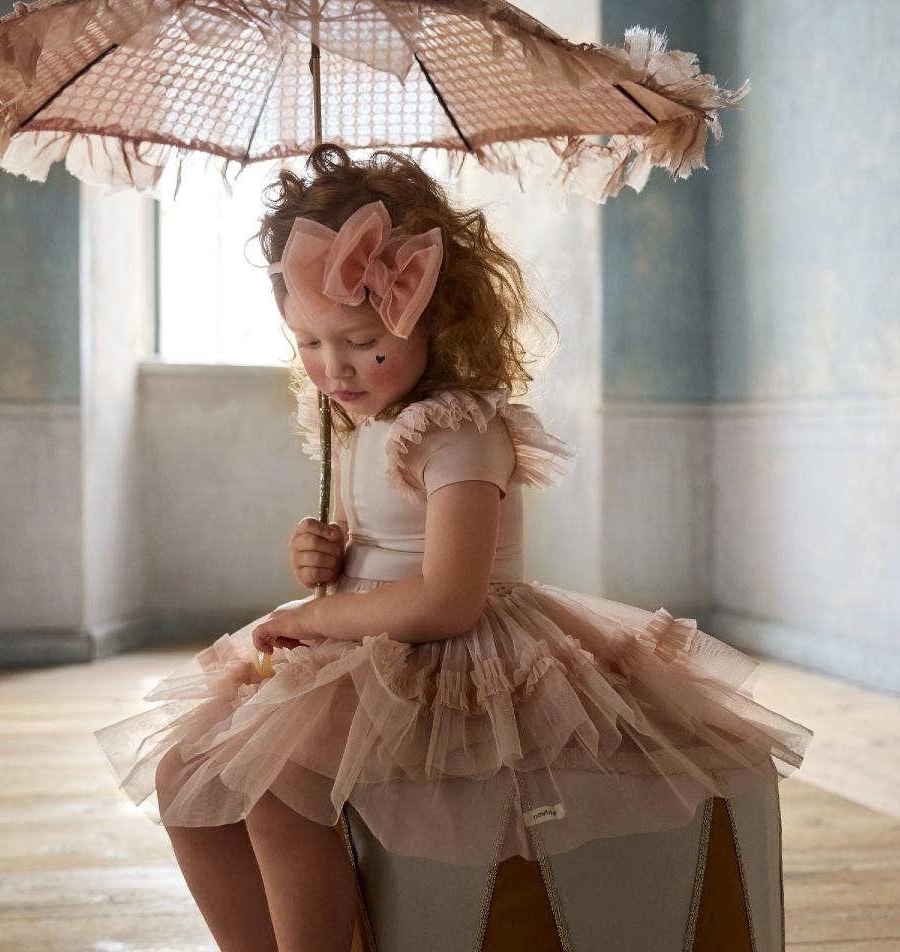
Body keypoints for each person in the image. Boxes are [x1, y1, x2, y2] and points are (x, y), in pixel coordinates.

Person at [93, 144, 813, 952]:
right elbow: (376, 546)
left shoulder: (462, 433)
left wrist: (322, 615)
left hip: (446, 655)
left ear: (434, 314)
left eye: (361, 341)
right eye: (309, 343)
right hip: (362, 643)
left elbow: (448, 598)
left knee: (279, 794)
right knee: (182, 775)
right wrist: (325, 557)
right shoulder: (356, 425)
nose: (334, 369)